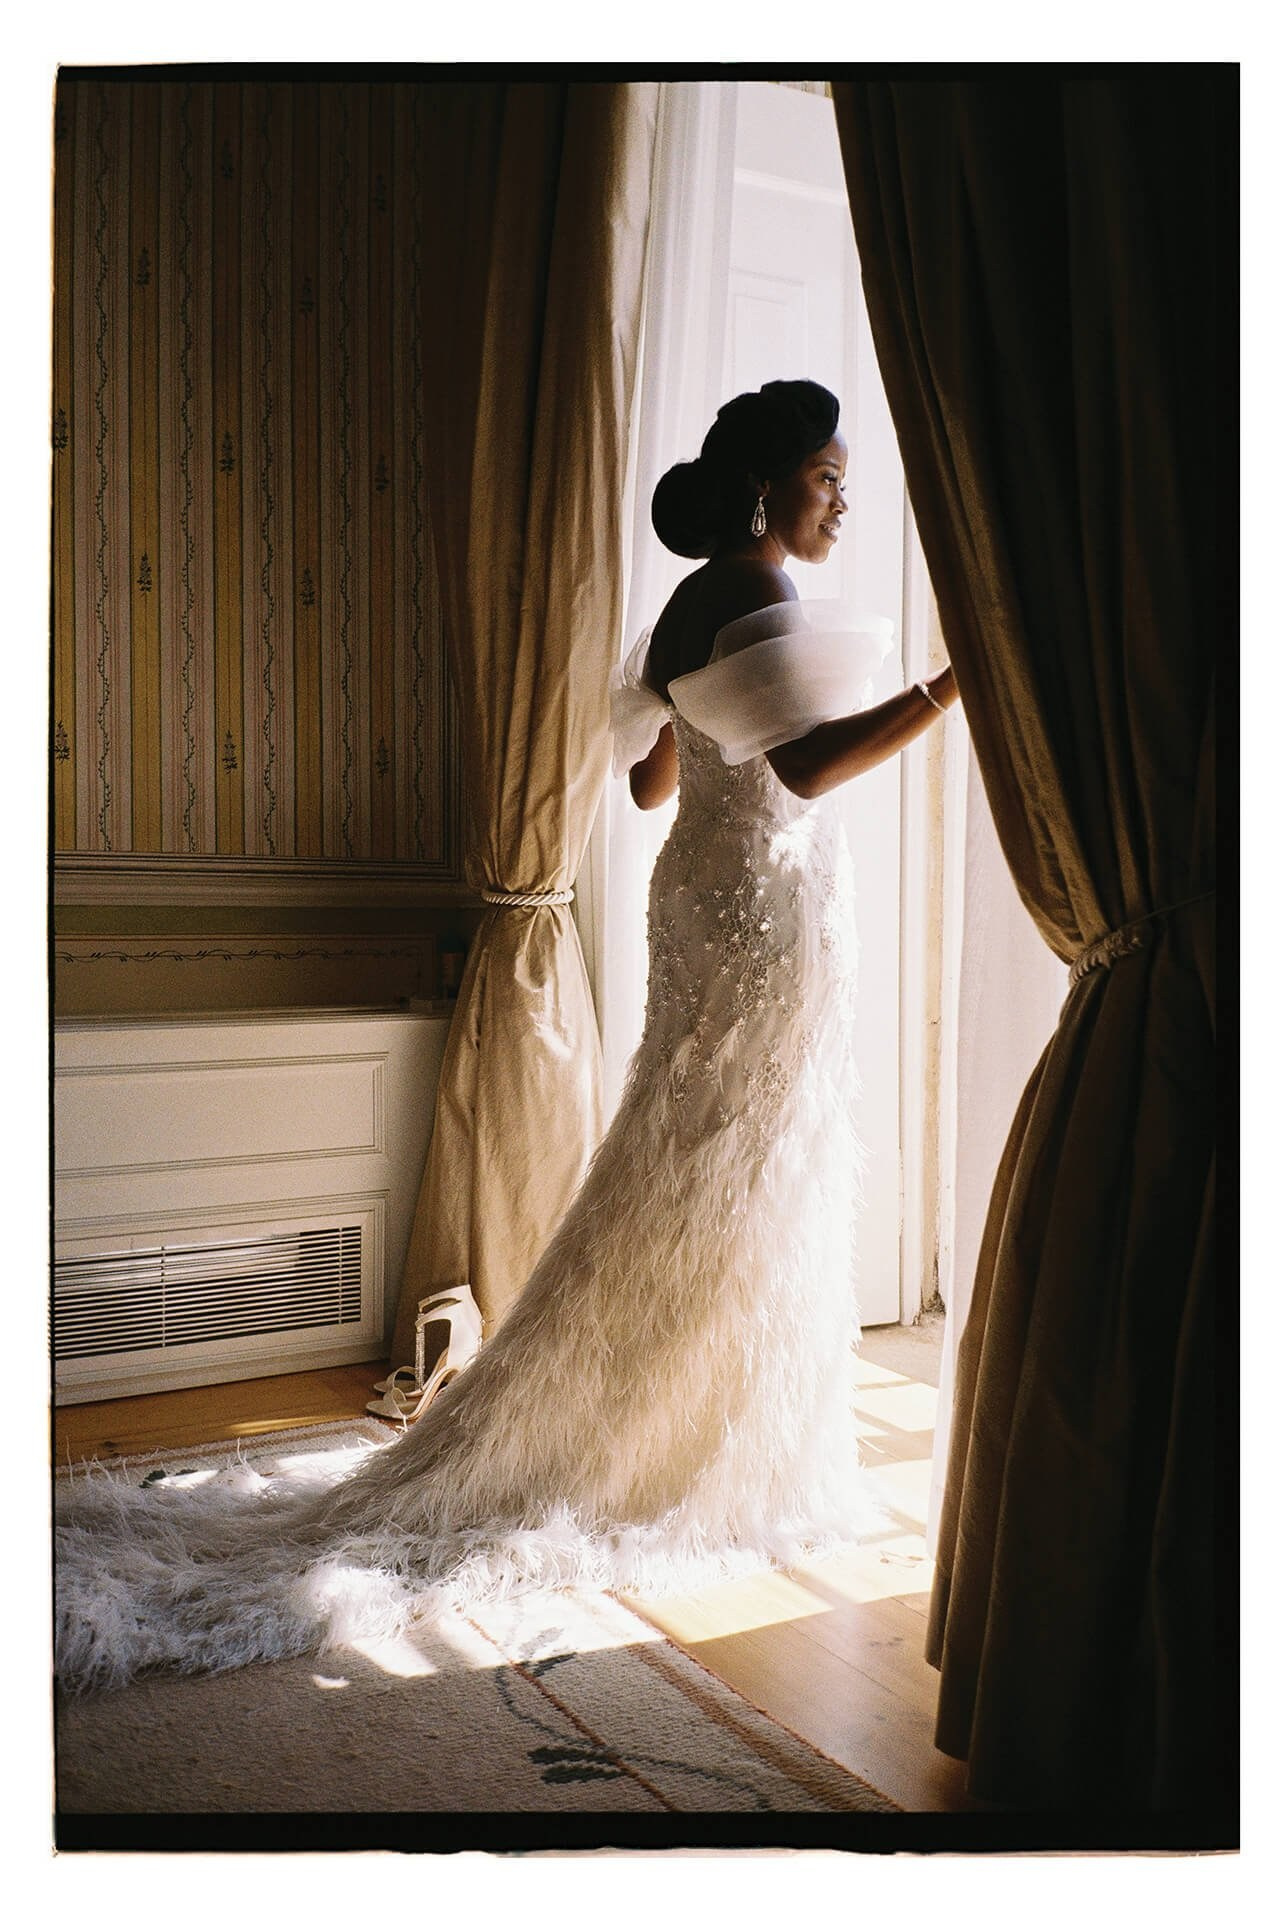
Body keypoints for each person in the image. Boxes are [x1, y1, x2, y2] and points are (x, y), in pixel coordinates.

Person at [54, 380, 958, 1693]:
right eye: (827, 478)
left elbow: (655, 780)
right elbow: (806, 770)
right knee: (738, 1160)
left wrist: (734, 746)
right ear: (769, 489)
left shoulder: (700, 599)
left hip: (707, 898)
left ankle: (652, 1403)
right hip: (763, 914)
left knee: (687, 1156)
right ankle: (680, 1430)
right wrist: (946, 685)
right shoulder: (762, 599)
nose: (840, 500)